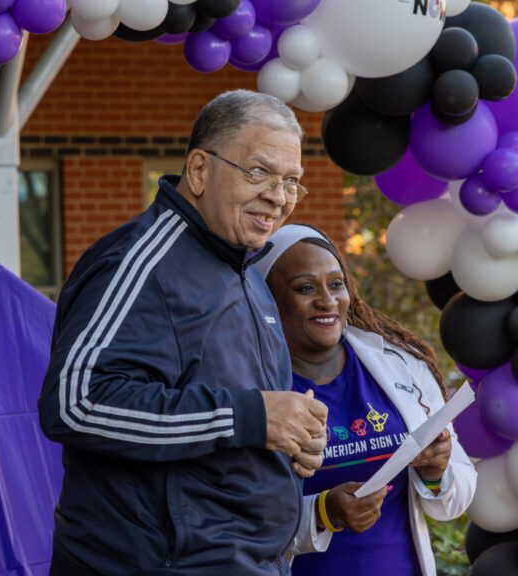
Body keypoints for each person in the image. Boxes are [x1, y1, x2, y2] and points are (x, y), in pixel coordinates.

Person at [38, 90, 329, 576]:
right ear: (199, 170)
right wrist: (251, 416)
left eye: (291, 181)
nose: (278, 197)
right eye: (258, 172)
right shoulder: (139, 263)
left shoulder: (246, 269)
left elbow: (241, 417)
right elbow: (75, 403)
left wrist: (291, 434)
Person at [256, 224, 476, 576]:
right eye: (305, 288)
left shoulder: (401, 364)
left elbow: (453, 503)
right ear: (268, 300)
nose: (327, 300)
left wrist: (437, 473)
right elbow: (234, 518)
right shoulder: (251, 387)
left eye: (336, 283)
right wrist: (323, 512)